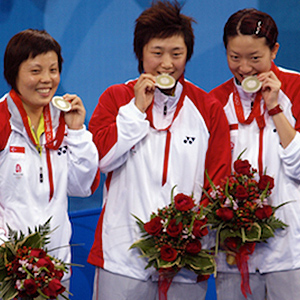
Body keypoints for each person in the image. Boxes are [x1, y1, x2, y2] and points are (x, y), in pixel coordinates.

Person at [87, 1, 231, 299]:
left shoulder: (207, 108)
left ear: (187, 55)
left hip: (186, 261)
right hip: (123, 258)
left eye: (176, 54)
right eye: (157, 53)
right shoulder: (116, 99)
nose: (167, 64)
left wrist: (193, 238)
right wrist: (136, 110)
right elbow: (99, 159)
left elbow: (218, 180)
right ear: (140, 53)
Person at [0, 29, 100, 295]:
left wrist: (78, 132)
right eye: (35, 71)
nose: (47, 79)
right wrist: (8, 254)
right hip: (7, 271)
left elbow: (83, 187)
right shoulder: (1, 121)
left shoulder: (63, 121)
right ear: (13, 73)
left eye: (53, 70)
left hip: (56, 269)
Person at [209, 8, 300, 300]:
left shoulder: (297, 89)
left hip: (289, 251)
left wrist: (275, 108)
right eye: (234, 57)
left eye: (255, 58)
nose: (244, 68)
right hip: (235, 253)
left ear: (274, 50)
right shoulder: (214, 102)